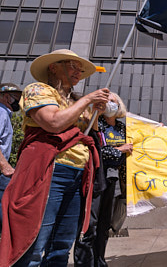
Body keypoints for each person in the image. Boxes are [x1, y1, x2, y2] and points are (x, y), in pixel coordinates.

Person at [0, 49, 110, 266]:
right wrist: (88, 99)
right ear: (54, 67)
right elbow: (52, 122)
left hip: (79, 173)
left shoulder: (76, 100)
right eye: (73, 66)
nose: (78, 72)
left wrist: (95, 111)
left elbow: (90, 134)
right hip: (49, 170)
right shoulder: (38, 90)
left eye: (80, 69)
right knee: (34, 239)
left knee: (62, 243)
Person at [74, 92, 132, 266]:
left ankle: (100, 260)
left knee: (104, 226)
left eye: (113, 102)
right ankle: (85, 262)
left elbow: (135, 145)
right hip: (96, 178)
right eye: (107, 101)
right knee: (90, 223)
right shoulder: (95, 124)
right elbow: (98, 150)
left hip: (114, 181)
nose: (110, 104)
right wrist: (119, 150)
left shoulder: (122, 127)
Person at [0, 83, 22, 234]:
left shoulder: (5, 114)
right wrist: (4, 166)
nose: (18, 101)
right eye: (17, 97)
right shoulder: (1, 113)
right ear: (7, 96)